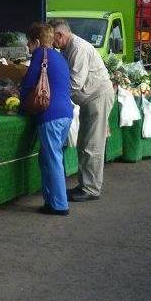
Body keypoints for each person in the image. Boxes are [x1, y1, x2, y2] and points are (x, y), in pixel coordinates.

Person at [49, 18, 115, 202]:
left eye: (51, 38)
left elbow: (75, 83)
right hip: (90, 99)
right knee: (85, 143)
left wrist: (52, 96)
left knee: (92, 145)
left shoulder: (78, 48)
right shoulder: (67, 48)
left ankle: (91, 189)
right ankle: (85, 185)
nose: (50, 43)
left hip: (98, 97)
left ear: (60, 35)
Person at [19, 23, 74, 216]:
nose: (27, 45)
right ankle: (51, 200)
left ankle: (59, 205)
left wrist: (19, 104)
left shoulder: (40, 55)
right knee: (48, 157)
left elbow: (27, 84)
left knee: (52, 159)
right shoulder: (59, 57)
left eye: (29, 41)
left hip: (50, 115)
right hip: (66, 113)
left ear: (35, 41)